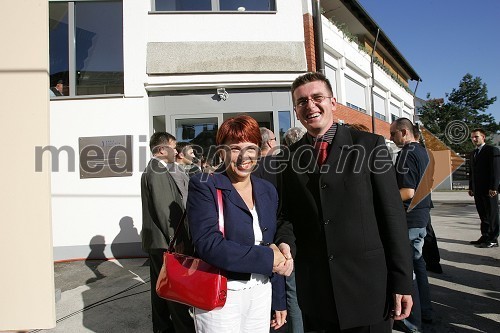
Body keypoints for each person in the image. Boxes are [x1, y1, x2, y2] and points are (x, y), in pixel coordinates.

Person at [275, 72, 413, 332]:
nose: (311, 106)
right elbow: (287, 215)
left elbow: (392, 216)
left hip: (368, 292)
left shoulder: (370, 145)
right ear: (296, 110)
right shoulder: (289, 157)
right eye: (302, 102)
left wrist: (403, 282)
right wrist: (285, 242)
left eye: (317, 98)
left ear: (333, 102)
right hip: (317, 295)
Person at [187, 115, 291, 333]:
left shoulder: (266, 189)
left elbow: (271, 241)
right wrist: (269, 257)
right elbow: (208, 244)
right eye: (235, 148)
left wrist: (279, 298)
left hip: (261, 291)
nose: (244, 156)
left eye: (251, 147)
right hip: (221, 295)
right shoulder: (205, 185)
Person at [140, 132, 195, 333]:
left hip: (159, 242)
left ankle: (163, 328)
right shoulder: (157, 170)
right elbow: (164, 209)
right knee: (174, 292)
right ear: (162, 150)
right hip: (167, 243)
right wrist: (176, 241)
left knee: (160, 290)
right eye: (173, 146)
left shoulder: (155, 169)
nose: (176, 151)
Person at [391, 118, 434, 331]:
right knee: (418, 265)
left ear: (404, 132)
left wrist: (383, 200)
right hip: (422, 215)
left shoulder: (407, 154)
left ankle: (411, 321)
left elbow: (407, 191)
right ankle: (425, 311)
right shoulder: (423, 152)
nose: (391, 138)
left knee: (407, 270)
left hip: (410, 217)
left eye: (393, 134)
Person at [468, 128, 500, 248]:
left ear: (483, 137)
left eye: (476, 137)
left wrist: (494, 187)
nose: (474, 139)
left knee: (492, 214)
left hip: (489, 190)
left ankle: (493, 239)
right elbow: (472, 172)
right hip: (478, 190)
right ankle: (485, 235)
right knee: (483, 214)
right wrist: (471, 187)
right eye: (472, 137)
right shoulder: (473, 153)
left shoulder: (492, 150)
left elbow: (496, 171)